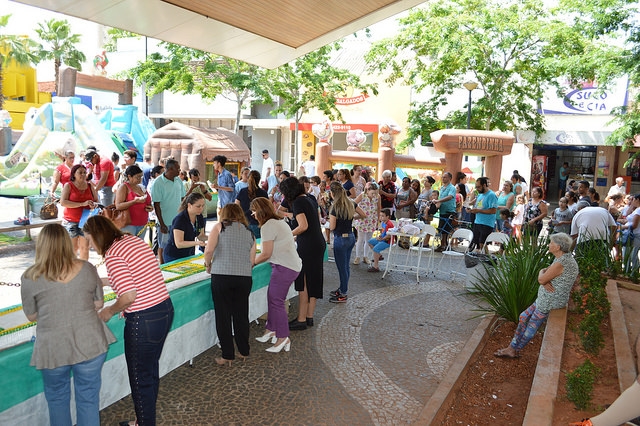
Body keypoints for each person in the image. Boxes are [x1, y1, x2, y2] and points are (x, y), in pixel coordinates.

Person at [21, 223, 115, 426]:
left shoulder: (30, 276)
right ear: (67, 243)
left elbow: (31, 316)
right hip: (90, 342)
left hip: (53, 348)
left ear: (41, 246)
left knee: (57, 400)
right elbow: (99, 303)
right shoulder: (87, 268)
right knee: (88, 399)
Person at [83, 215, 174, 426]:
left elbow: (129, 296)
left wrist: (109, 311)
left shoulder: (113, 254)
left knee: (140, 378)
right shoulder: (130, 240)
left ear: (98, 236)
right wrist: (101, 281)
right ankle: (143, 419)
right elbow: (134, 277)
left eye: (89, 240)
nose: (90, 246)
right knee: (149, 371)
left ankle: (144, 423)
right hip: (164, 310)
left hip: (143, 320)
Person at [494, 232, 579, 359]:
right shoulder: (563, 258)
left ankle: (513, 349)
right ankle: (512, 347)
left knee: (531, 327)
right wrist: (544, 278)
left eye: (551, 243)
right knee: (523, 316)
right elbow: (546, 273)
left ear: (558, 247)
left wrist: (543, 279)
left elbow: (542, 278)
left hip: (550, 300)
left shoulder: (561, 262)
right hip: (547, 298)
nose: (549, 245)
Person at [203, 203, 255, 364]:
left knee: (223, 316)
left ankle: (227, 354)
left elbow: (209, 250)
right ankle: (244, 350)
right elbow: (252, 261)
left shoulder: (219, 227)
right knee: (241, 314)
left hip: (221, 276)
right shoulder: (249, 232)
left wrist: (208, 264)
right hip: (244, 278)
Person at [252, 198, 302, 353]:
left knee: (276, 301)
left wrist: (251, 262)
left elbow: (266, 253)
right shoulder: (279, 222)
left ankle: (283, 337)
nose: (253, 214)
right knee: (272, 298)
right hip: (287, 265)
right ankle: (271, 329)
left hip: (285, 267)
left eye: (254, 211)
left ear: (260, 211)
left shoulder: (268, 226)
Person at [279, 177, 326, 331]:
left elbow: (303, 225)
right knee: (314, 279)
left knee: (304, 282)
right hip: (318, 242)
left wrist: (288, 235)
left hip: (308, 245)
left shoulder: (298, 202)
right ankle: (309, 317)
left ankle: (301, 319)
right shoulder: (308, 199)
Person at [327, 182, 366, 303]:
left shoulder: (335, 207)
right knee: (346, 266)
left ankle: (343, 292)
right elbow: (363, 215)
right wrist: (351, 217)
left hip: (340, 238)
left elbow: (332, 227)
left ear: (333, 193)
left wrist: (328, 222)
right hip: (350, 237)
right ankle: (342, 289)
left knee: (341, 267)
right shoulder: (351, 203)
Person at [60, 164, 98, 260]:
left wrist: (94, 204)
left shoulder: (90, 186)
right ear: (74, 174)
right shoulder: (68, 185)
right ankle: (71, 270)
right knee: (73, 248)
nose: (83, 174)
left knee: (85, 248)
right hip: (70, 221)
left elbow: (97, 201)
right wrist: (82, 204)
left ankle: (83, 270)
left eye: (85, 172)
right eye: (80, 172)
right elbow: (63, 202)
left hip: (86, 221)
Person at [152, 158, 185, 264]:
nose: (179, 170)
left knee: (177, 245)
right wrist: (162, 224)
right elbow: (156, 205)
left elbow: (183, 199)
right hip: (165, 222)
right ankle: (162, 267)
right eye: (177, 168)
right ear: (170, 169)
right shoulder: (158, 183)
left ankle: (174, 265)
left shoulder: (178, 180)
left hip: (178, 221)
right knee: (163, 246)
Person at [162, 192, 207, 264]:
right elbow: (179, 243)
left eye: (203, 206)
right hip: (174, 255)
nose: (201, 209)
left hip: (189, 253)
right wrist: (197, 243)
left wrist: (213, 238)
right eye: (198, 206)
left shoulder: (199, 216)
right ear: (189, 205)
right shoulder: (180, 219)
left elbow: (200, 236)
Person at [115, 165, 153, 238]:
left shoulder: (141, 187)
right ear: (130, 177)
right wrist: (134, 202)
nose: (140, 179)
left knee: (138, 247)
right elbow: (118, 206)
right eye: (137, 177)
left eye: (141, 177)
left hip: (143, 223)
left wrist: (150, 207)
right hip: (129, 224)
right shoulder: (124, 187)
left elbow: (148, 202)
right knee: (129, 247)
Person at [235, 170, 269, 238]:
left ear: (248, 179)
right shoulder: (263, 193)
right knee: (257, 245)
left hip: (244, 222)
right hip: (259, 223)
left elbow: (236, 206)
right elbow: (267, 209)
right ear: (259, 180)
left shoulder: (242, 191)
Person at [468, 177, 498, 251]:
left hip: (487, 223)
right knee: (477, 242)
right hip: (477, 221)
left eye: (479, 187)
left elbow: (493, 210)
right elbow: (479, 207)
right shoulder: (480, 195)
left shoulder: (491, 195)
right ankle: (481, 257)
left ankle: (487, 258)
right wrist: (471, 210)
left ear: (484, 185)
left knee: (482, 242)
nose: (477, 189)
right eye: (476, 187)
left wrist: (478, 210)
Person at [354, 182, 381, 265]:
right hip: (362, 220)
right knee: (360, 239)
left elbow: (379, 208)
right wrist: (357, 214)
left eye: (376, 193)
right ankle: (357, 256)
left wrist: (378, 220)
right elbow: (354, 204)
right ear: (368, 190)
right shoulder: (362, 195)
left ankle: (366, 256)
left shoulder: (378, 197)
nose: (374, 195)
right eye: (372, 193)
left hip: (372, 220)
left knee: (368, 240)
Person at [434, 172, 457, 252]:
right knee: (441, 228)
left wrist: (439, 200)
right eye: (443, 177)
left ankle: (444, 245)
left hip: (449, 210)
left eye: (445, 177)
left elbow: (450, 197)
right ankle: (443, 244)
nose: (443, 179)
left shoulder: (452, 188)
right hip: (442, 210)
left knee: (445, 229)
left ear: (450, 179)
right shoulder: (442, 187)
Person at [367, 208, 395, 273]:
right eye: (380, 216)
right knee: (370, 242)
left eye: (383, 216)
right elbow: (383, 232)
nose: (381, 217)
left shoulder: (389, 224)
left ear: (387, 217)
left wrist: (382, 238)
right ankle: (379, 255)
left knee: (375, 249)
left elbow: (389, 235)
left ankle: (376, 266)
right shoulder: (383, 223)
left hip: (387, 241)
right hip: (383, 239)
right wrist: (380, 236)